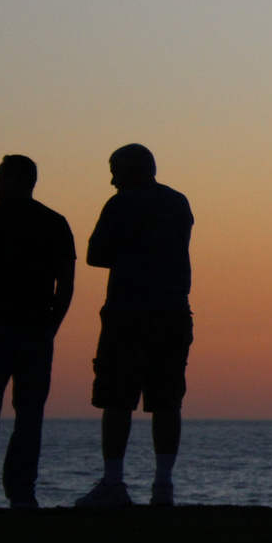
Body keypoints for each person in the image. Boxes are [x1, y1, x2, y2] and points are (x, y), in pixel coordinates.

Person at [74, 144, 194, 508]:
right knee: (167, 401)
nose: (111, 180)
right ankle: (163, 487)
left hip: (129, 311)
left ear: (132, 169)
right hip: (174, 310)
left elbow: (95, 255)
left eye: (115, 170)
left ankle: (113, 483)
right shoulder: (179, 202)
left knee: (117, 397)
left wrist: (128, 253)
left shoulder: (121, 204)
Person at [0, 155, 75, 509]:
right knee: (29, 414)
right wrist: (52, 324)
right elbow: (65, 284)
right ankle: (21, 492)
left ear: (14, 180)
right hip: (35, 330)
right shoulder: (55, 222)